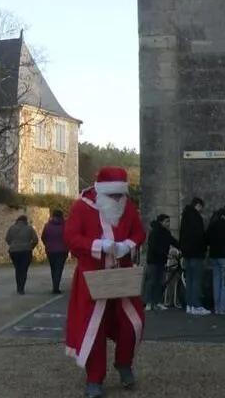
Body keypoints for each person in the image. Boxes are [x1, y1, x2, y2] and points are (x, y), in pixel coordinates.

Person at [63, 166, 147, 398]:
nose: (118, 200)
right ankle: (94, 379)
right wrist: (98, 246)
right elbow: (71, 238)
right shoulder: (81, 207)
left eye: (121, 195)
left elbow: (140, 233)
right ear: (102, 192)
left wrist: (127, 245)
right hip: (93, 277)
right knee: (94, 328)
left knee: (133, 322)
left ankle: (123, 362)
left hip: (122, 275)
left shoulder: (127, 207)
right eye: (114, 196)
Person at [178, 196, 209, 315]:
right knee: (197, 279)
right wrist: (204, 248)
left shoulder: (185, 216)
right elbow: (199, 236)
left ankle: (189, 305)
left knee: (190, 279)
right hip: (196, 252)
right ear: (198, 205)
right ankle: (196, 305)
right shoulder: (197, 217)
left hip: (187, 253)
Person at [142, 213, 179, 310]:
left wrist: (183, 247)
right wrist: (166, 254)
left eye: (169, 222)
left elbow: (174, 242)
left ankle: (156, 302)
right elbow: (153, 247)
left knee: (159, 282)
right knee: (151, 281)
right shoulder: (154, 232)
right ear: (161, 222)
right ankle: (148, 302)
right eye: (166, 222)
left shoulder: (166, 233)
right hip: (153, 261)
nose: (168, 224)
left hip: (161, 261)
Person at [207, 206, 225, 314]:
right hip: (224, 255)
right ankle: (223, 307)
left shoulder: (212, 225)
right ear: (224, 215)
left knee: (216, 281)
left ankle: (216, 306)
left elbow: (207, 239)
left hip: (214, 255)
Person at [5, 215, 39, 294]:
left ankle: (18, 287)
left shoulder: (12, 228)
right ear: (25, 221)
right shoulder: (30, 228)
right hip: (26, 251)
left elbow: (7, 239)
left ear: (17, 220)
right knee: (24, 270)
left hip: (14, 251)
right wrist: (31, 247)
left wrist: (13, 245)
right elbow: (35, 240)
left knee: (18, 269)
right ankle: (21, 288)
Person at [41, 209, 68, 294]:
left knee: (53, 268)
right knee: (59, 269)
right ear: (61, 215)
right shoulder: (65, 225)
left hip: (50, 250)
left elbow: (43, 237)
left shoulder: (47, 225)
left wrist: (47, 244)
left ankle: (55, 285)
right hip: (62, 250)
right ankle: (56, 287)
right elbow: (69, 236)